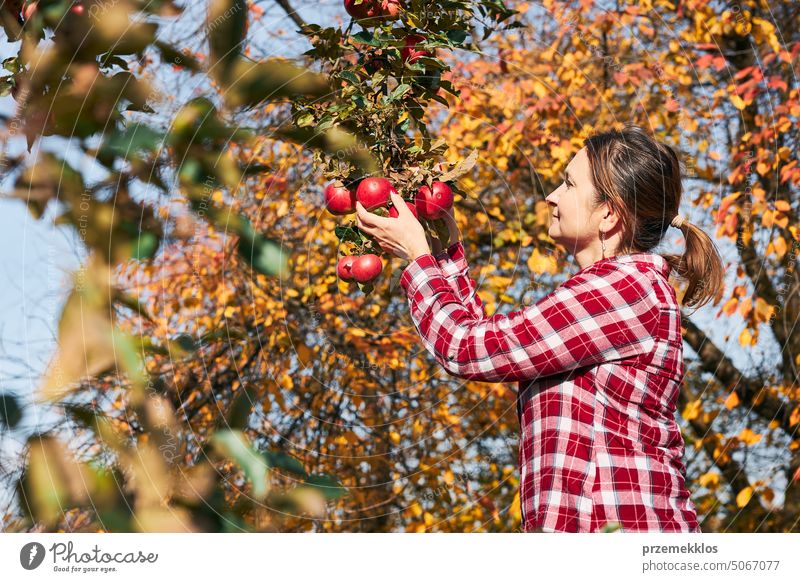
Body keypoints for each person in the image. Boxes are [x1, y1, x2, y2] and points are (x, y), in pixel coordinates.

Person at [355, 124, 724, 533]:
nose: (552, 195)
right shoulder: (613, 290)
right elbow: (486, 338)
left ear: (609, 213)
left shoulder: (624, 289)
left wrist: (417, 255)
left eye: (568, 184)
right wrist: (443, 251)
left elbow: (465, 349)